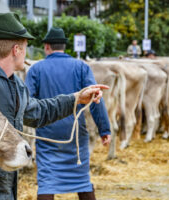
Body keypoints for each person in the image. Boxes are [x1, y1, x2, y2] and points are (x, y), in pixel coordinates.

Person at [0, 13, 108, 200]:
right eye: (25, 47)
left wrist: (76, 98)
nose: (26, 52)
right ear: (16, 49)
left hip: (3, 185)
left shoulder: (15, 83)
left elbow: (36, 112)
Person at [25, 27, 111, 200]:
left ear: (47, 46)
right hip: (75, 133)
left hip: (47, 135)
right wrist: (104, 129)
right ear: (63, 46)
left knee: (47, 182)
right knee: (82, 180)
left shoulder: (36, 69)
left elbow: (27, 103)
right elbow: (95, 98)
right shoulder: (81, 67)